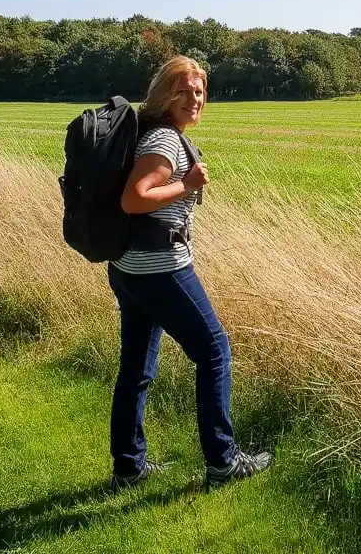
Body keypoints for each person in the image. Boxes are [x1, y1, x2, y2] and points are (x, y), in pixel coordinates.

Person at [106, 55, 272, 493]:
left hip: (130, 268)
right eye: (184, 91)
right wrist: (188, 184)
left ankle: (129, 466)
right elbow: (135, 199)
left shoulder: (152, 133)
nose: (194, 99)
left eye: (199, 91)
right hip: (160, 270)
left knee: (137, 366)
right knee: (215, 349)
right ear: (165, 94)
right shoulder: (162, 140)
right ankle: (223, 461)